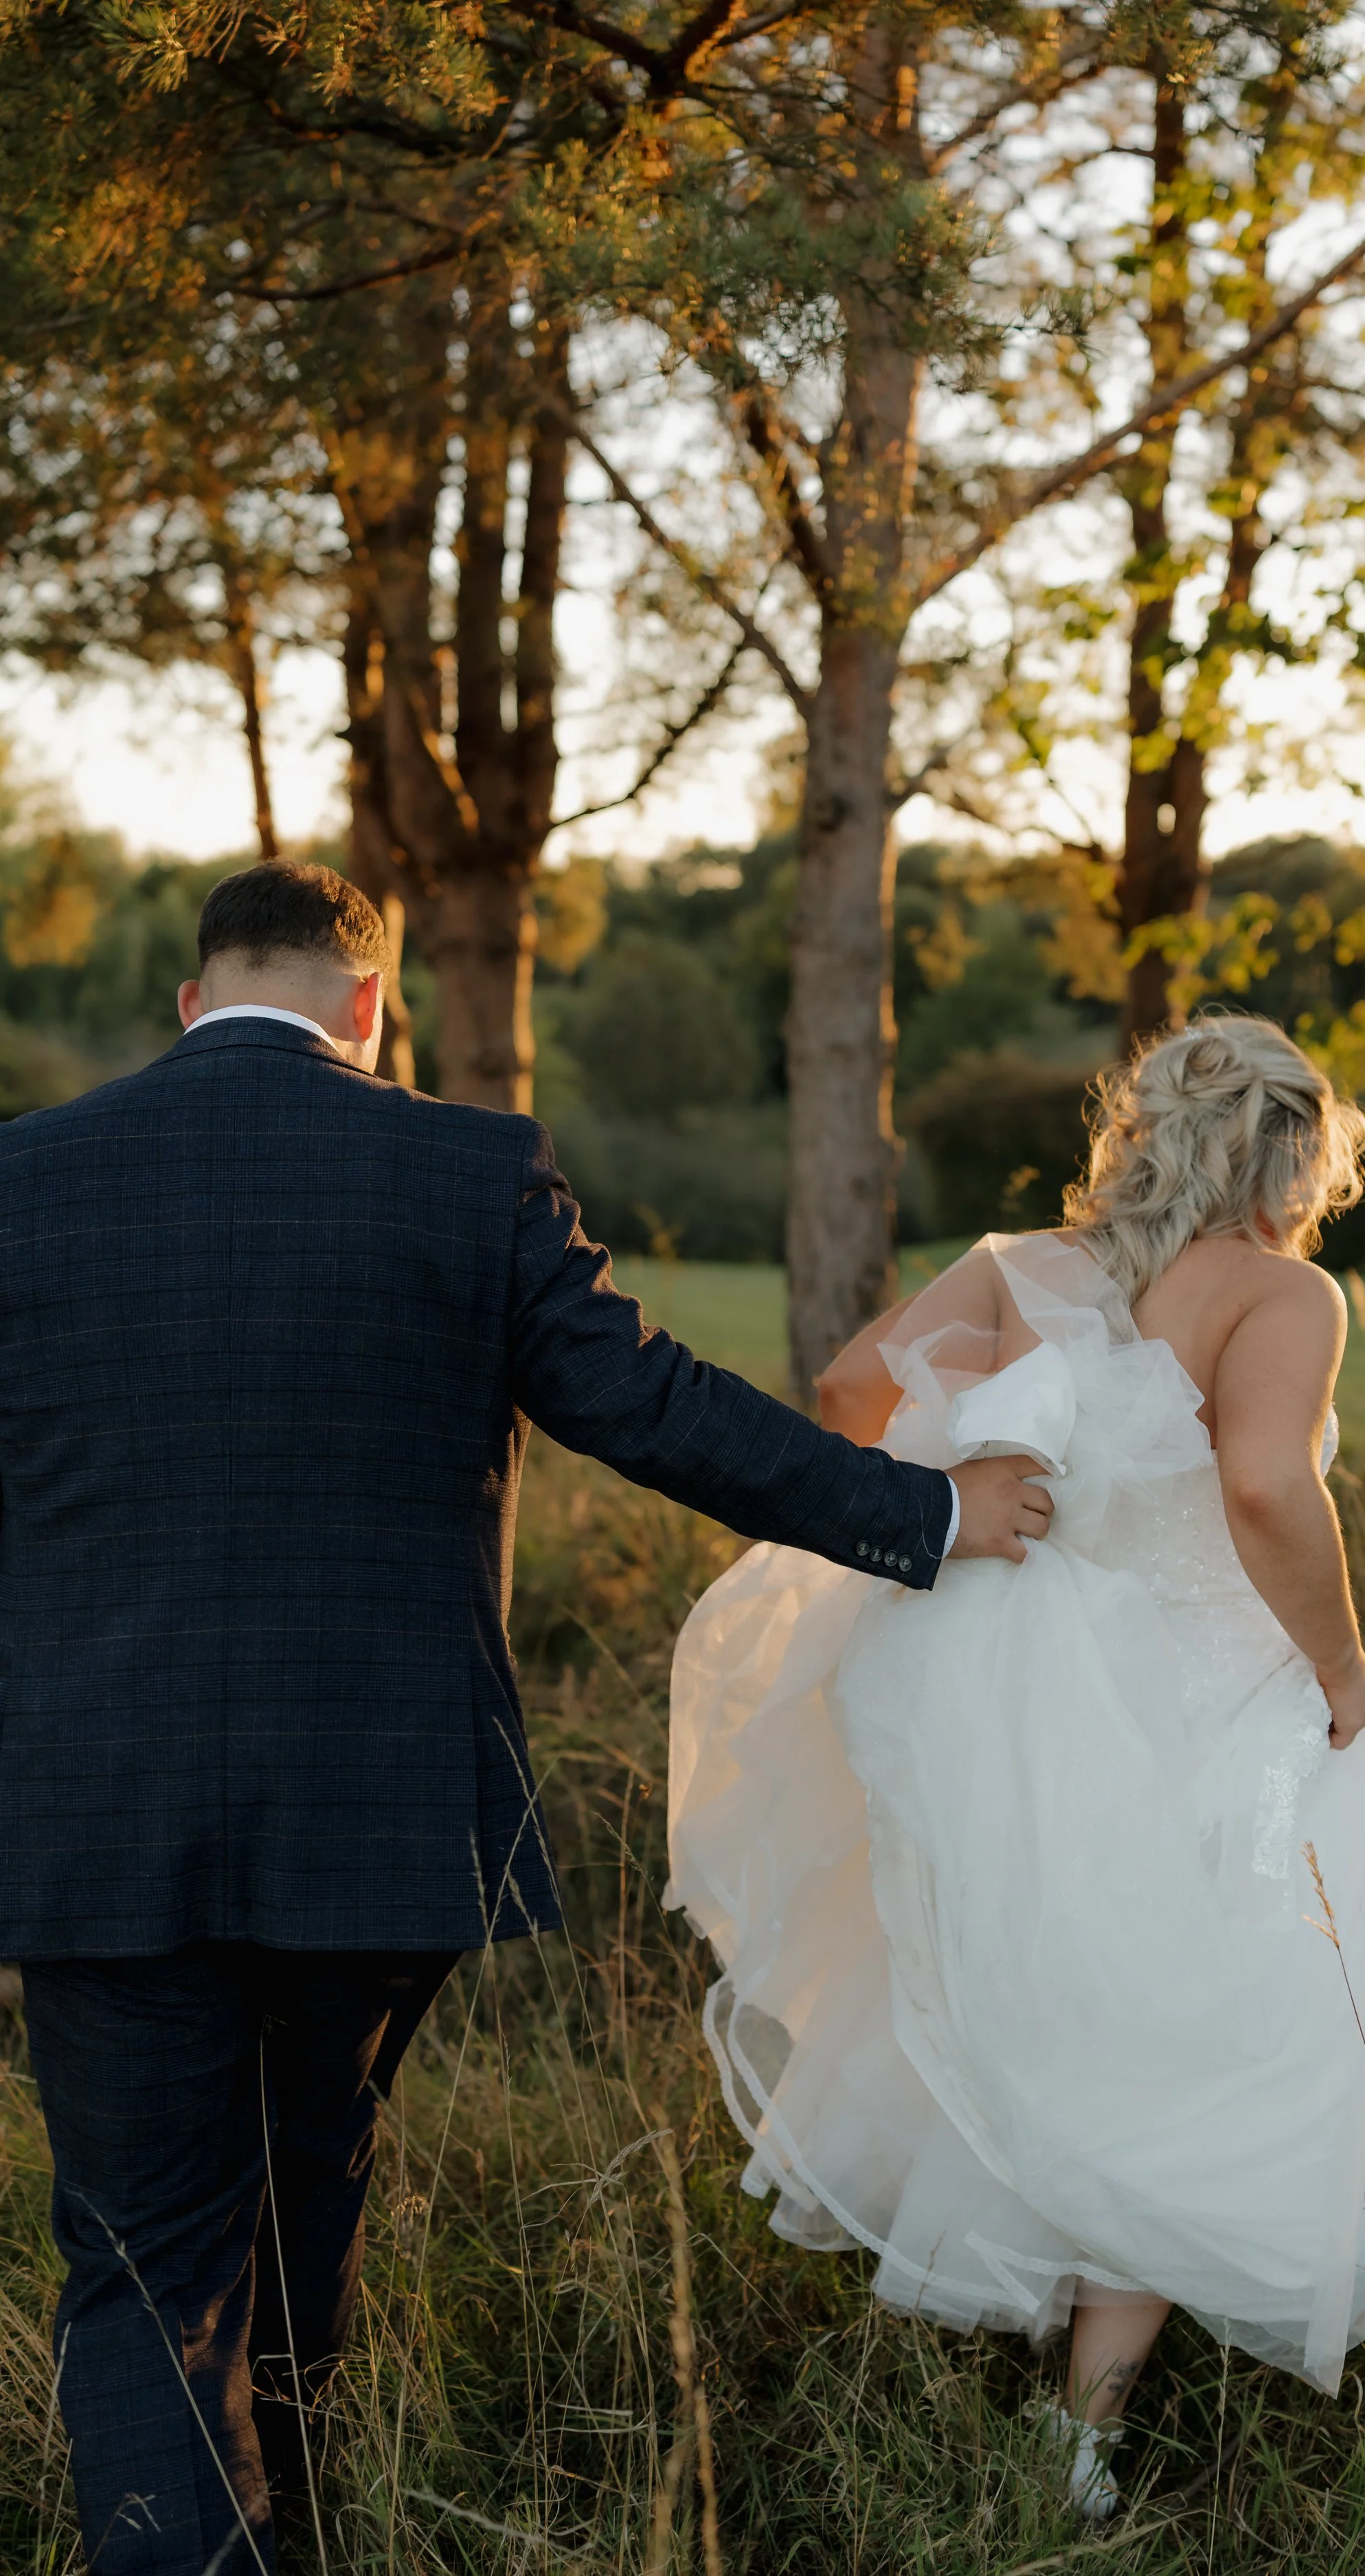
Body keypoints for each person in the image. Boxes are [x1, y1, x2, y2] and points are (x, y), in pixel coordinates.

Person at [0, 859, 1048, 2576]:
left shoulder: (23, 1178)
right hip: (376, 1816)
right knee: (302, 2212)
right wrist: (918, 1515)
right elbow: (653, 1410)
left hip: (93, 1814)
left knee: (144, 2268)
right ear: (370, 1007)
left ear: (187, 1004)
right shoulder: (462, 1165)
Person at [668, 1013, 1365, 2520]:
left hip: (988, 1685)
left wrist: (947, 1490)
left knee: (1036, 1989)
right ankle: (1078, 2436)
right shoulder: (1282, 1293)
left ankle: (1036, 2360)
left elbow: (841, 1394)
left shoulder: (1018, 1270)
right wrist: (1344, 1676)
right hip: (1188, 1701)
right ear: (1286, 1154)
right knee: (1181, 2028)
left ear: (1140, 1133)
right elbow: (1265, 1484)